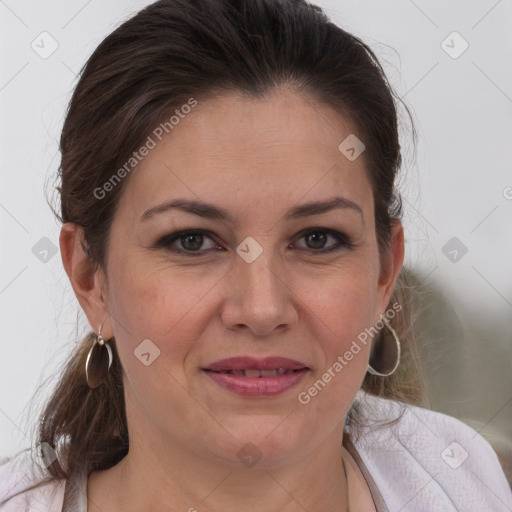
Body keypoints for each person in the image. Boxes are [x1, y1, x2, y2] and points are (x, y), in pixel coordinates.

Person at [1, 0, 511, 510]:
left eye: (317, 239)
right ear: (92, 278)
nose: (262, 309)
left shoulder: (464, 480)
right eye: (192, 241)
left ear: (384, 272)